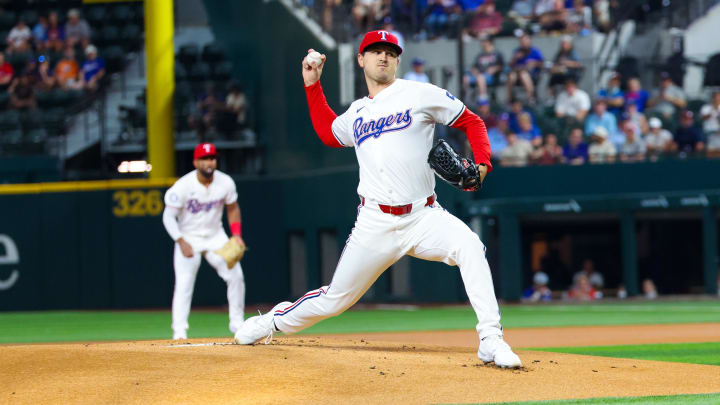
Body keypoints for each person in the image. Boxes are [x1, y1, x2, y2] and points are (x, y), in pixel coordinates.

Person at [234, 30, 522, 369]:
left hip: (423, 216)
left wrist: (484, 162)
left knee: (471, 247)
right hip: (375, 222)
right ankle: (271, 322)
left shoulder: (420, 94)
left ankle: (491, 340)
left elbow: (472, 122)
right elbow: (329, 133)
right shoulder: (357, 113)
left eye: (389, 52)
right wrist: (312, 86)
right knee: (334, 301)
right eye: (374, 51)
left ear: (398, 60)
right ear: (361, 59)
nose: (382, 57)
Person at [162, 143, 247, 340]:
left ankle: (237, 323)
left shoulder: (225, 182)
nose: (209, 162)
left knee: (236, 276)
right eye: (205, 159)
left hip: (216, 236)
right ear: (195, 162)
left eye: (212, 158)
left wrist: (236, 234)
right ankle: (179, 332)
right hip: (188, 236)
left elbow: (232, 208)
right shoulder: (183, 186)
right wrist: (180, 240)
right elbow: (168, 217)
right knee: (184, 283)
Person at [506, 33, 543, 102]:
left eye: (526, 41)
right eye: (522, 41)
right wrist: (515, 58)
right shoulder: (517, 51)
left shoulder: (535, 51)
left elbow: (541, 64)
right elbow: (510, 65)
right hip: (517, 74)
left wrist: (534, 63)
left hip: (531, 74)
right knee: (511, 76)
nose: (524, 43)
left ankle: (530, 97)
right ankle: (510, 98)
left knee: (523, 74)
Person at [700, 91, 720, 156]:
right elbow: (703, 118)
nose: (717, 99)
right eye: (716, 98)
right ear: (713, 98)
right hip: (707, 132)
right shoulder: (706, 107)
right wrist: (713, 109)